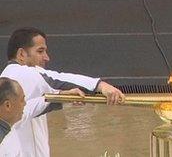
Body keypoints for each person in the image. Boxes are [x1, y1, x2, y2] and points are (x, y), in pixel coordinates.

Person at [1, 27, 125, 157]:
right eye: (40, 51)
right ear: (21, 54)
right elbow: (59, 79)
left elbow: (29, 111)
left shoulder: (9, 80)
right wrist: (101, 86)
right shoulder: (24, 73)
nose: (46, 57)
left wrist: (60, 98)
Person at [0, 77, 86, 156]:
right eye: (22, 100)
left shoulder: (10, 118)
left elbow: (32, 106)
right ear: (8, 105)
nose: (25, 104)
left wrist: (63, 95)